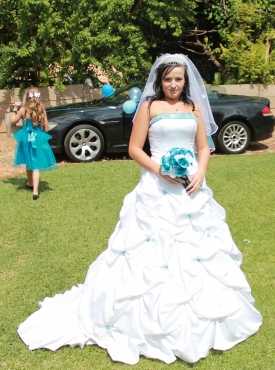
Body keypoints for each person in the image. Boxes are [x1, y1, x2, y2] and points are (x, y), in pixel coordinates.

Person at [17, 54, 262, 364]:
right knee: (148, 253)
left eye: (179, 79)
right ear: (160, 81)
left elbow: (203, 146)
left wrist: (200, 172)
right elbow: (134, 148)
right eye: (168, 79)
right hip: (156, 190)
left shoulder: (193, 108)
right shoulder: (148, 107)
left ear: (186, 82)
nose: (174, 84)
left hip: (191, 192)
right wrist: (160, 170)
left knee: (198, 252)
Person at [9, 87, 56, 200]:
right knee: (36, 165)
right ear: (38, 96)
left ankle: (31, 183)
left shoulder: (24, 109)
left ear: (27, 97)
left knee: (28, 161)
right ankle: (34, 189)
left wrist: (14, 110)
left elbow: (13, 121)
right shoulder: (41, 109)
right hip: (37, 137)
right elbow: (46, 127)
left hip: (26, 137)